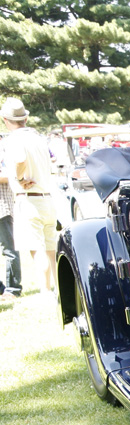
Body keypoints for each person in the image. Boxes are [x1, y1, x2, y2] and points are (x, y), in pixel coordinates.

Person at [2, 97, 57, 296]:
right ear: (25, 118)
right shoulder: (38, 137)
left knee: (36, 247)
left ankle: (45, 289)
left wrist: (18, 177)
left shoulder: (15, 139)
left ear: (6, 120)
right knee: (50, 246)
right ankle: (59, 286)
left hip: (28, 197)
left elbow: (20, 159)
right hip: (47, 197)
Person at [0, 148, 20, 299]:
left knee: (10, 251)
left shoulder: (5, 154)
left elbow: (11, 176)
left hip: (2, 210)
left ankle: (12, 289)